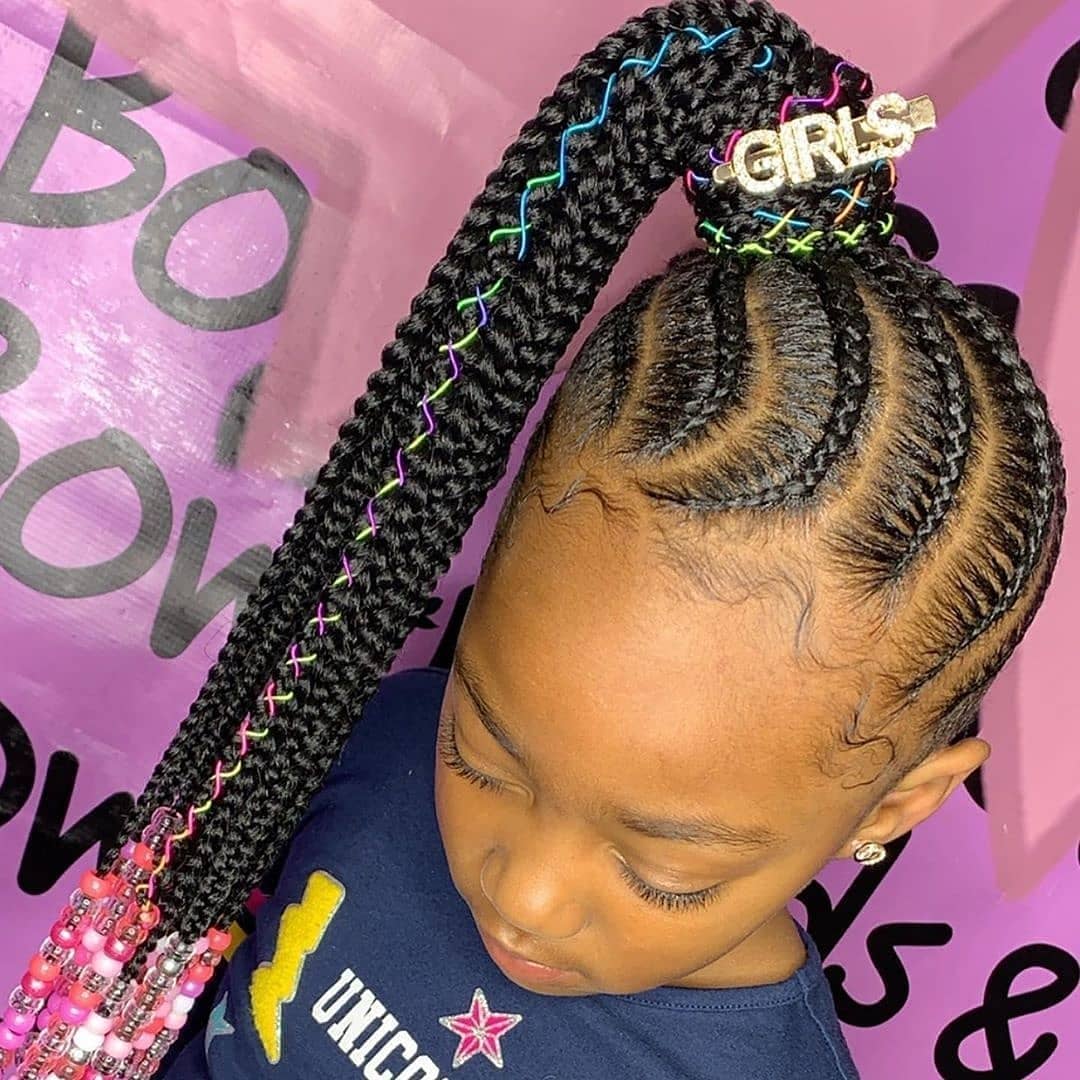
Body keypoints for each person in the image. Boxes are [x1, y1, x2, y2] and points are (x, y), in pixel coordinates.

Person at [0, 1, 1066, 1079]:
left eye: (663, 876)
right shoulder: (375, 732)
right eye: (482, 755)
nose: (526, 897)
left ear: (895, 805)